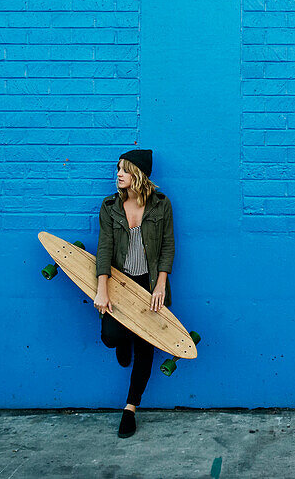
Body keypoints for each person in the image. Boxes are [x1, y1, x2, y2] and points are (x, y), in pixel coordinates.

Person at [94, 148, 175, 438]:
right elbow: (103, 249)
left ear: (138, 175)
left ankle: (130, 409)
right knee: (110, 336)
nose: (118, 174)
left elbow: (167, 246)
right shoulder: (109, 207)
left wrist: (161, 286)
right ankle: (124, 337)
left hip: (149, 285)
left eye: (125, 170)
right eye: (118, 169)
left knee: (145, 349)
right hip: (118, 283)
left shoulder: (161, 206)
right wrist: (102, 290)